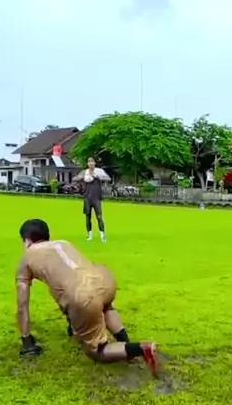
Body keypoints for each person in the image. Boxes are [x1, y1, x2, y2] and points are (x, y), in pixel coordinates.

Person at [16, 218, 159, 375]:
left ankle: (140, 349)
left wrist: (27, 341)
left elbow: (22, 306)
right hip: (105, 279)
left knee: (96, 351)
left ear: (27, 240)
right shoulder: (63, 243)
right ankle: (125, 344)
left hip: (82, 295)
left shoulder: (27, 258)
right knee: (104, 306)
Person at [73, 157, 110, 242]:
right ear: (87, 164)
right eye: (89, 162)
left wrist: (97, 176)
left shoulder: (99, 171)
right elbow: (74, 178)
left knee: (99, 217)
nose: (91, 163)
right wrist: (81, 177)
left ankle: (102, 235)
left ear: (95, 163)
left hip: (96, 198)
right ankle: (89, 235)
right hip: (87, 197)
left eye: (92, 161)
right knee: (88, 217)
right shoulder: (84, 172)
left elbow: (108, 178)